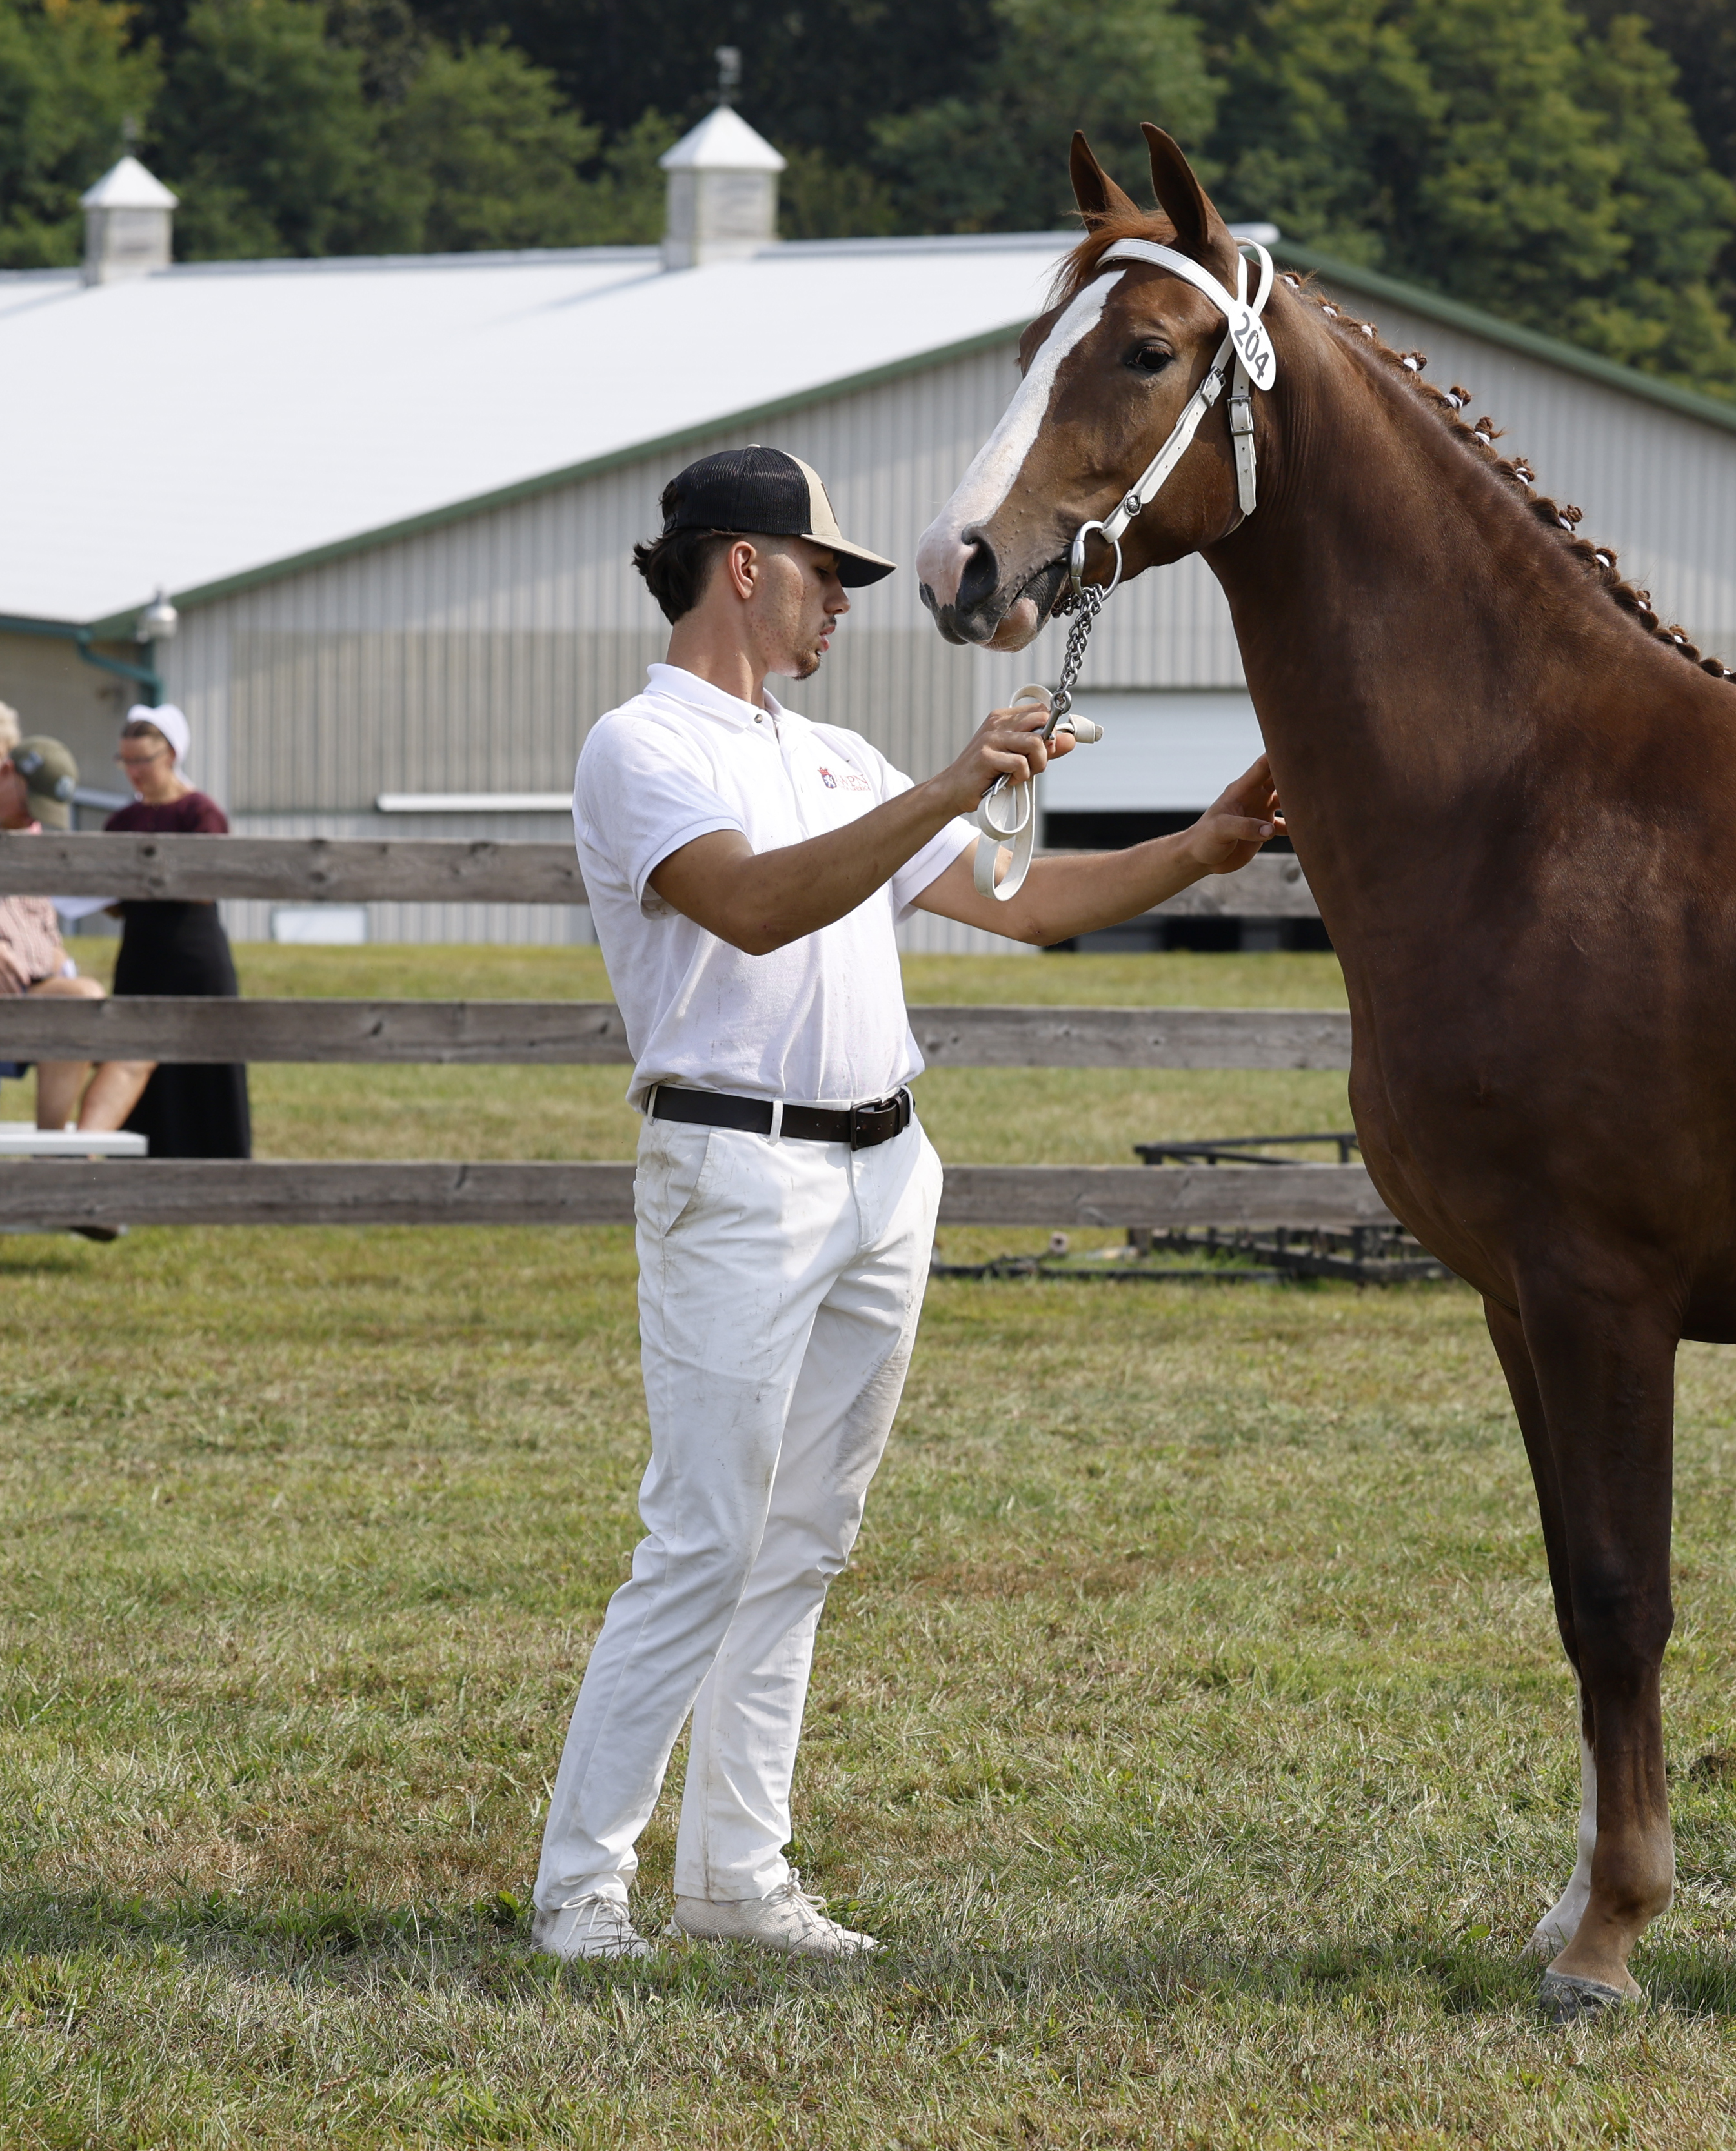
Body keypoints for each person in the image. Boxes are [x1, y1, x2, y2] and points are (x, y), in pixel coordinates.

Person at [530, 446, 1283, 1963]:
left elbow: (1024, 907)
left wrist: (1198, 849)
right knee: (702, 1537)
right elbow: (750, 905)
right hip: (738, 1168)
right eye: (827, 574)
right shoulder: (641, 746)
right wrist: (954, 777)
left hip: (885, 1167)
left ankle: (738, 1878)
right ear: (743, 565)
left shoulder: (839, 755)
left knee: (803, 1540)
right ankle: (581, 1890)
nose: (843, 605)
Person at [100, 705, 252, 1160]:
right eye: (126, 761)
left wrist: (146, 876)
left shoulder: (200, 812)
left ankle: (216, 1159)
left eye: (142, 761)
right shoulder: (120, 821)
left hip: (193, 954)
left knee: (204, 1054)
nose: (134, 772)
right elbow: (112, 905)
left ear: (169, 755)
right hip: (141, 952)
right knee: (135, 1053)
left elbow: (206, 888)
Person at [1, 725, 149, 1133]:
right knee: (81, 1001)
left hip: (33, 991)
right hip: (15, 997)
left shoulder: (26, 842)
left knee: (142, 1039)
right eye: (33, 803)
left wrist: (60, 961)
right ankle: (54, 1153)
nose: (35, 819)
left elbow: (45, 930)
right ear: (8, 773)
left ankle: (71, 1156)